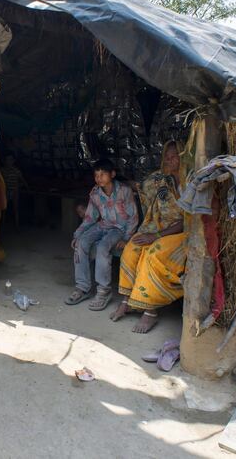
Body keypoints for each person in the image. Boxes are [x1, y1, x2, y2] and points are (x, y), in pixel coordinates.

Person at [111, 141, 188, 333]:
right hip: (160, 227)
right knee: (132, 248)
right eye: (167, 156)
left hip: (185, 232)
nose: (169, 160)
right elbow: (142, 187)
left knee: (152, 253)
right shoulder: (163, 179)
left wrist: (156, 235)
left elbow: (190, 219)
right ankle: (128, 301)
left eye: (174, 156)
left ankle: (150, 311)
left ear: (184, 156)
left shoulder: (191, 182)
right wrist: (118, 182)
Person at [65, 159, 139, 310]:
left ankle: (104, 291)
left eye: (103, 174)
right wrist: (77, 234)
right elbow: (90, 217)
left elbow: (133, 217)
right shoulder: (95, 193)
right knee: (81, 243)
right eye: (96, 175)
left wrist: (127, 238)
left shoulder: (124, 191)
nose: (99, 178)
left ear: (112, 174)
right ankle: (82, 287)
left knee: (103, 247)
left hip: (119, 229)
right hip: (103, 225)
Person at [1, 153, 28, 227]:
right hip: (6, 192)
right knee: (4, 210)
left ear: (13, 161)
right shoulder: (2, 171)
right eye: (7, 160)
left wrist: (26, 187)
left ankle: (17, 226)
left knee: (16, 209)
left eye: (11, 160)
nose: (9, 161)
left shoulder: (17, 171)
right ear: (4, 161)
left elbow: (22, 180)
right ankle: (3, 226)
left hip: (15, 192)